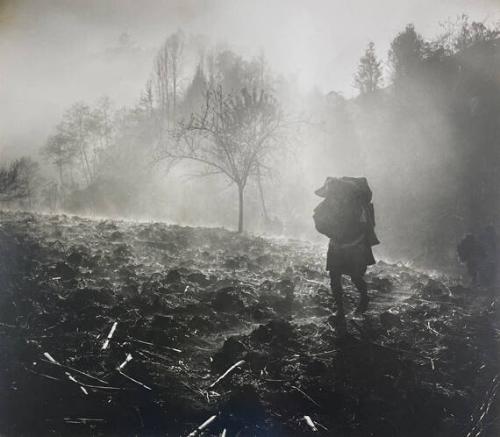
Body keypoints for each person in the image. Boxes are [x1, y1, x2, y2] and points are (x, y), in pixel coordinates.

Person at [313, 177, 379, 334]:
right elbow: (318, 219)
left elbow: (363, 226)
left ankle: (364, 298)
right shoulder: (327, 204)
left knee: (356, 277)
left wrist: (345, 232)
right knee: (334, 277)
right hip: (337, 246)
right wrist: (333, 231)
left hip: (355, 246)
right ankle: (340, 311)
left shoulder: (356, 206)